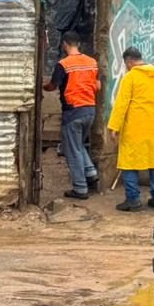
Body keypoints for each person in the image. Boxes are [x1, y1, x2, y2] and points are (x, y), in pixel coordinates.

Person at [107, 46, 154, 212]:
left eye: (125, 64)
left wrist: (114, 127)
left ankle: (133, 200)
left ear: (129, 61)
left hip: (135, 129)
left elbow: (121, 105)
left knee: (129, 164)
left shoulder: (130, 78)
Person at [43, 30, 100, 201]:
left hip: (73, 112)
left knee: (72, 150)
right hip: (90, 110)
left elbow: (53, 86)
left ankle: (80, 188)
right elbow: (98, 86)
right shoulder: (92, 62)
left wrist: (42, 87)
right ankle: (91, 173)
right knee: (79, 145)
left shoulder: (64, 64)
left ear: (64, 45)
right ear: (79, 44)